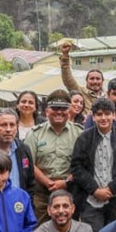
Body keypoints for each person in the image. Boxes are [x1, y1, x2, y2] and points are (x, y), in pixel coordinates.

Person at [70, 98, 116, 231]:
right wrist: (95, 189)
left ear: (114, 115)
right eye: (99, 114)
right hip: (90, 199)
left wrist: (112, 188)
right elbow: (77, 167)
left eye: (107, 114)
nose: (103, 118)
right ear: (93, 117)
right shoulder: (84, 138)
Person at [26, 89, 81, 221]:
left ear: (69, 110)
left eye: (63, 108)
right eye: (55, 108)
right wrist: (47, 182)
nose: (59, 112)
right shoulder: (34, 134)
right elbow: (28, 162)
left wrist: (66, 182)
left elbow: (84, 164)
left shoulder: (79, 133)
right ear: (47, 111)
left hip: (70, 190)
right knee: (42, 229)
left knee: (70, 229)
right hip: (42, 193)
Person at [58, 38, 105, 103]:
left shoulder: (109, 96)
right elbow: (68, 80)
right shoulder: (80, 93)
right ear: (86, 81)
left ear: (102, 81)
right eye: (92, 78)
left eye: (98, 79)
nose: (95, 81)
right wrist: (65, 55)